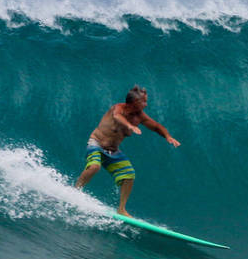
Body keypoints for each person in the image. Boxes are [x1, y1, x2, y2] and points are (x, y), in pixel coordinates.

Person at [75, 85, 180, 216]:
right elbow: (117, 116)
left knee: (129, 175)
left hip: (113, 151)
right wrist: (130, 126)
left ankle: (122, 209)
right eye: (143, 102)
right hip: (96, 143)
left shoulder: (139, 116)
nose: (146, 105)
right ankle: (75, 191)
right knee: (95, 167)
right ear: (134, 102)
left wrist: (167, 136)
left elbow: (156, 126)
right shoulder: (118, 108)